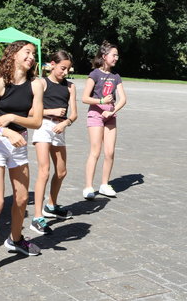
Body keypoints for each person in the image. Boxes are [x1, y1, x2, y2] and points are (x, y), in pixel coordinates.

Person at [0, 41, 44, 281]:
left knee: (23, 198)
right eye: (27, 52)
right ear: (13, 55)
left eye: (33, 54)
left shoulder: (36, 84)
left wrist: (13, 118)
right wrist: (5, 131)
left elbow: (36, 122)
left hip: (20, 144)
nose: (31, 57)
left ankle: (16, 240)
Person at [30, 51, 78, 234]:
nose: (65, 72)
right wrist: (51, 111)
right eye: (62, 68)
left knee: (62, 171)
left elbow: (74, 114)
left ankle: (51, 205)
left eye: (67, 69)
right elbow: (30, 111)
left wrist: (65, 122)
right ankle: (37, 217)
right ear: (52, 64)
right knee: (44, 171)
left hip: (60, 128)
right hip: (43, 126)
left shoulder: (70, 86)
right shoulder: (41, 83)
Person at [81, 41, 127, 199]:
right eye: (114, 55)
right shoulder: (94, 74)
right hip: (95, 115)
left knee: (110, 152)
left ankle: (104, 184)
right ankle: (88, 187)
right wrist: (101, 102)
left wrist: (111, 111)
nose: (116, 58)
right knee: (95, 151)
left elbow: (123, 99)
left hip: (110, 116)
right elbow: (85, 98)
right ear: (104, 56)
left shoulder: (116, 77)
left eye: (117, 55)